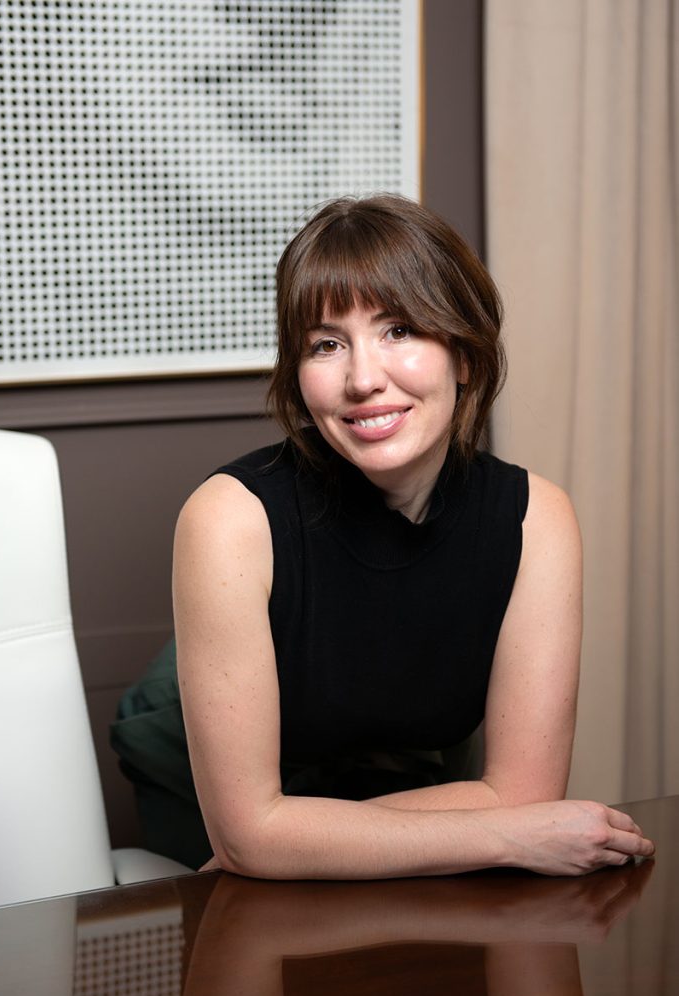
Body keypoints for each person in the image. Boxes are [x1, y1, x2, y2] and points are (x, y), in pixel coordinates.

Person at [117, 194, 654, 877]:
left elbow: (523, 795)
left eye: (399, 330)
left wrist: (288, 839)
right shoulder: (228, 516)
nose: (363, 379)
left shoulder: (534, 517)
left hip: (405, 782)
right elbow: (246, 835)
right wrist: (507, 831)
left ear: (464, 353)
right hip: (198, 795)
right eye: (326, 343)